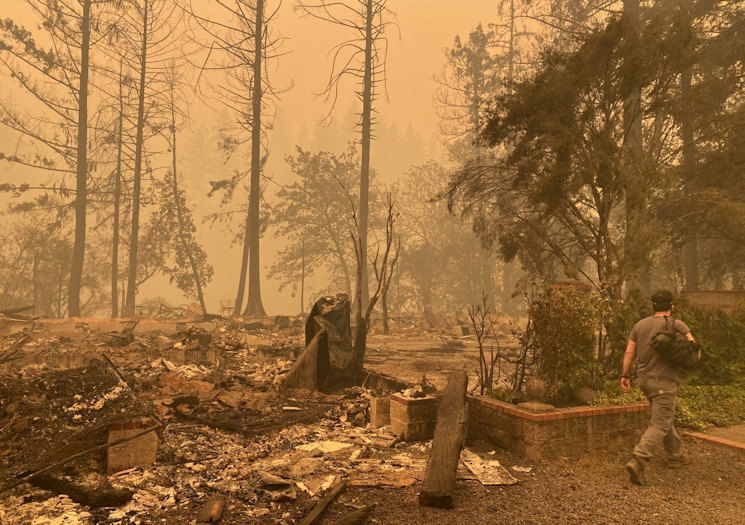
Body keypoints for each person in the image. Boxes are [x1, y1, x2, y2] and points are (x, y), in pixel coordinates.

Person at [620, 289, 699, 485]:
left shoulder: (640, 325)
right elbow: (695, 350)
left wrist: (625, 374)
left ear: (653, 306)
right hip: (665, 381)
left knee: (663, 417)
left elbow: (630, 351)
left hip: (645, 381)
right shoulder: (677, 324)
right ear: (671, 306)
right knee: (660, 423)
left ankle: (675, 454)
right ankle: (638, 460)